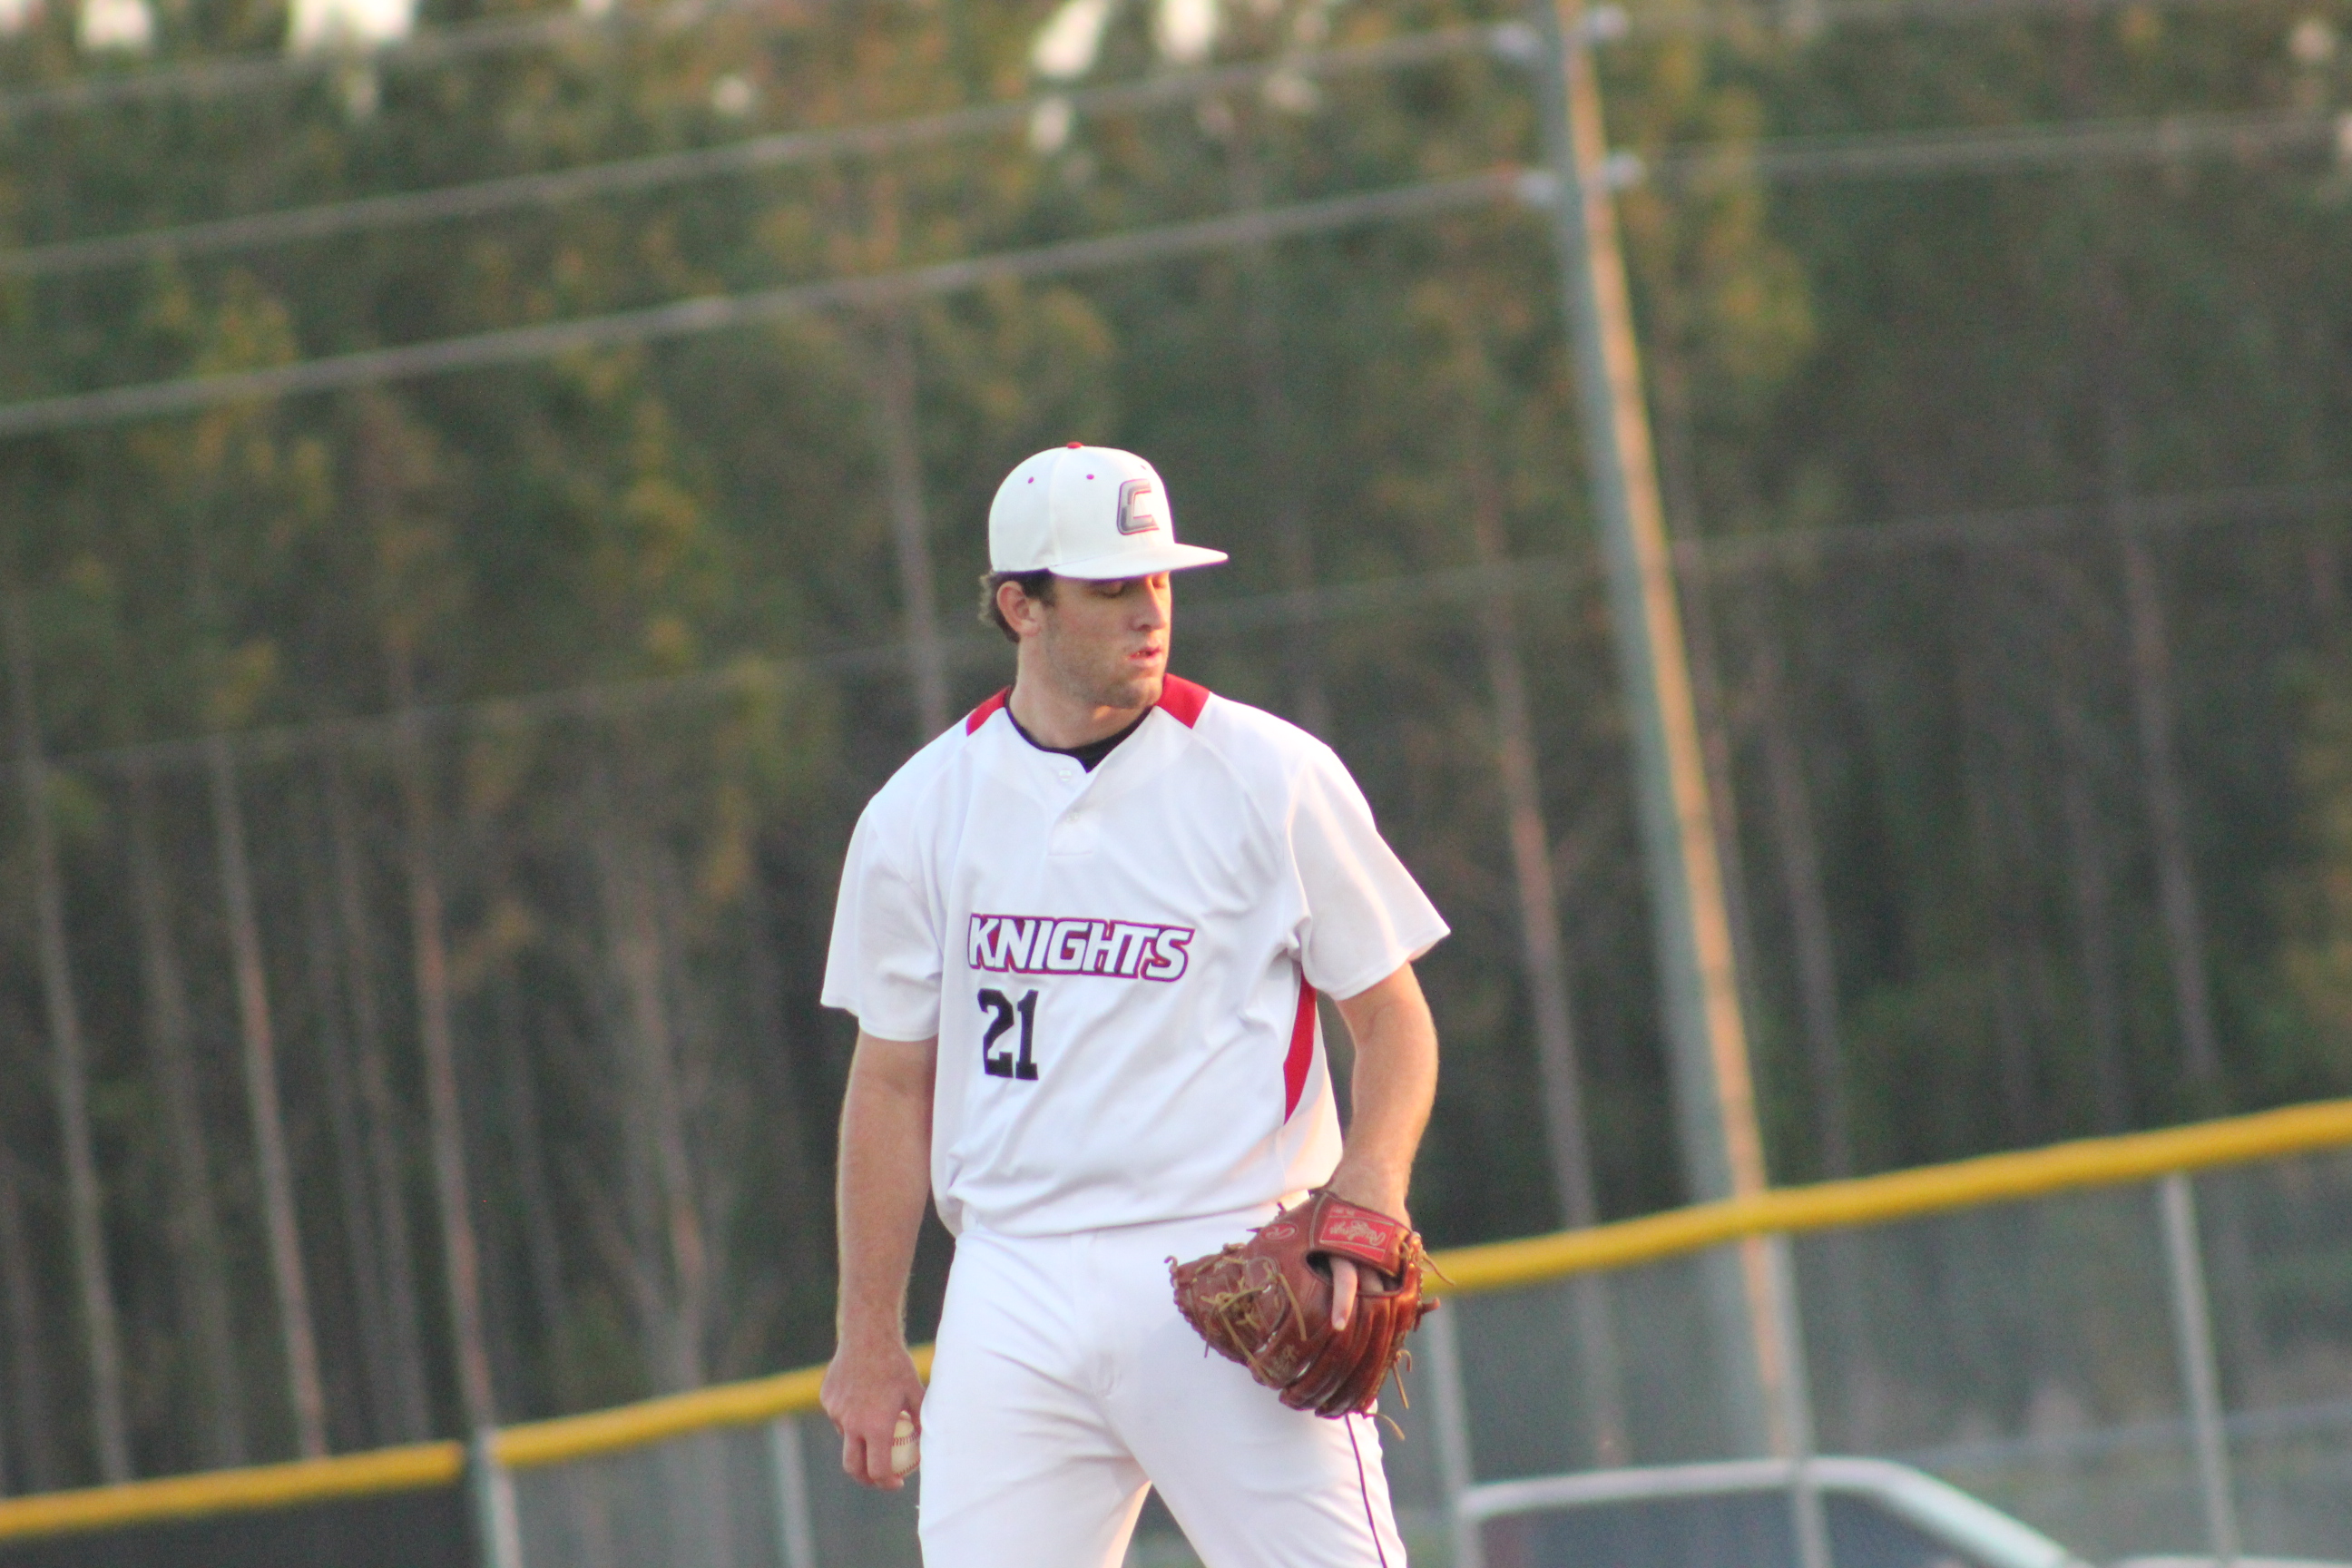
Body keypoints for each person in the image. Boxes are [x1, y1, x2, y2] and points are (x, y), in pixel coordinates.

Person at [818, 442, 1448, 1567]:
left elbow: (1393, 1019)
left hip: (1228, 1261)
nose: (1151, 611)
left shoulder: (1270, 774)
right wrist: (867, 1335)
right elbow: (891, 1082)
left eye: (1160, 579)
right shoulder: (919, 811)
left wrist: (1371, 1185)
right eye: (1111, 587)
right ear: (1022, 607)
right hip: (1010, 1279)